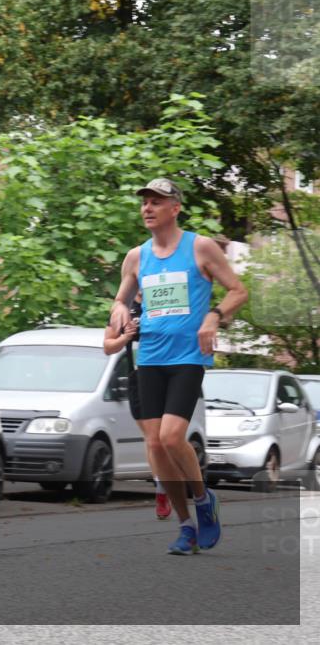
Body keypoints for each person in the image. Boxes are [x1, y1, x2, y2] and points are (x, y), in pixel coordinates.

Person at [110, 178, 247, 555]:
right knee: (156, 444)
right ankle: (185, 526)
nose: (148, 208)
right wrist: (120, 307)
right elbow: (120, 299)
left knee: (172, 437)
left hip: (188, 356)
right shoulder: (136, 256)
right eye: (145, 202)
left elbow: (238, 290)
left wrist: (214, 316)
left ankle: (204, 500)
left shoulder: (199, 247)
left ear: (175, 208)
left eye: (157, 202)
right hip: (150, 356)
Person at [103, 294, 172, 520]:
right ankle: (162, 488)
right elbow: (108, 346)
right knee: (153, 439)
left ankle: (170, 481)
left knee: (166, 438)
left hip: (167, 375)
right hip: (139, 377)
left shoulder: (167, 299)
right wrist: (126, 337)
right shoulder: (123, 309)